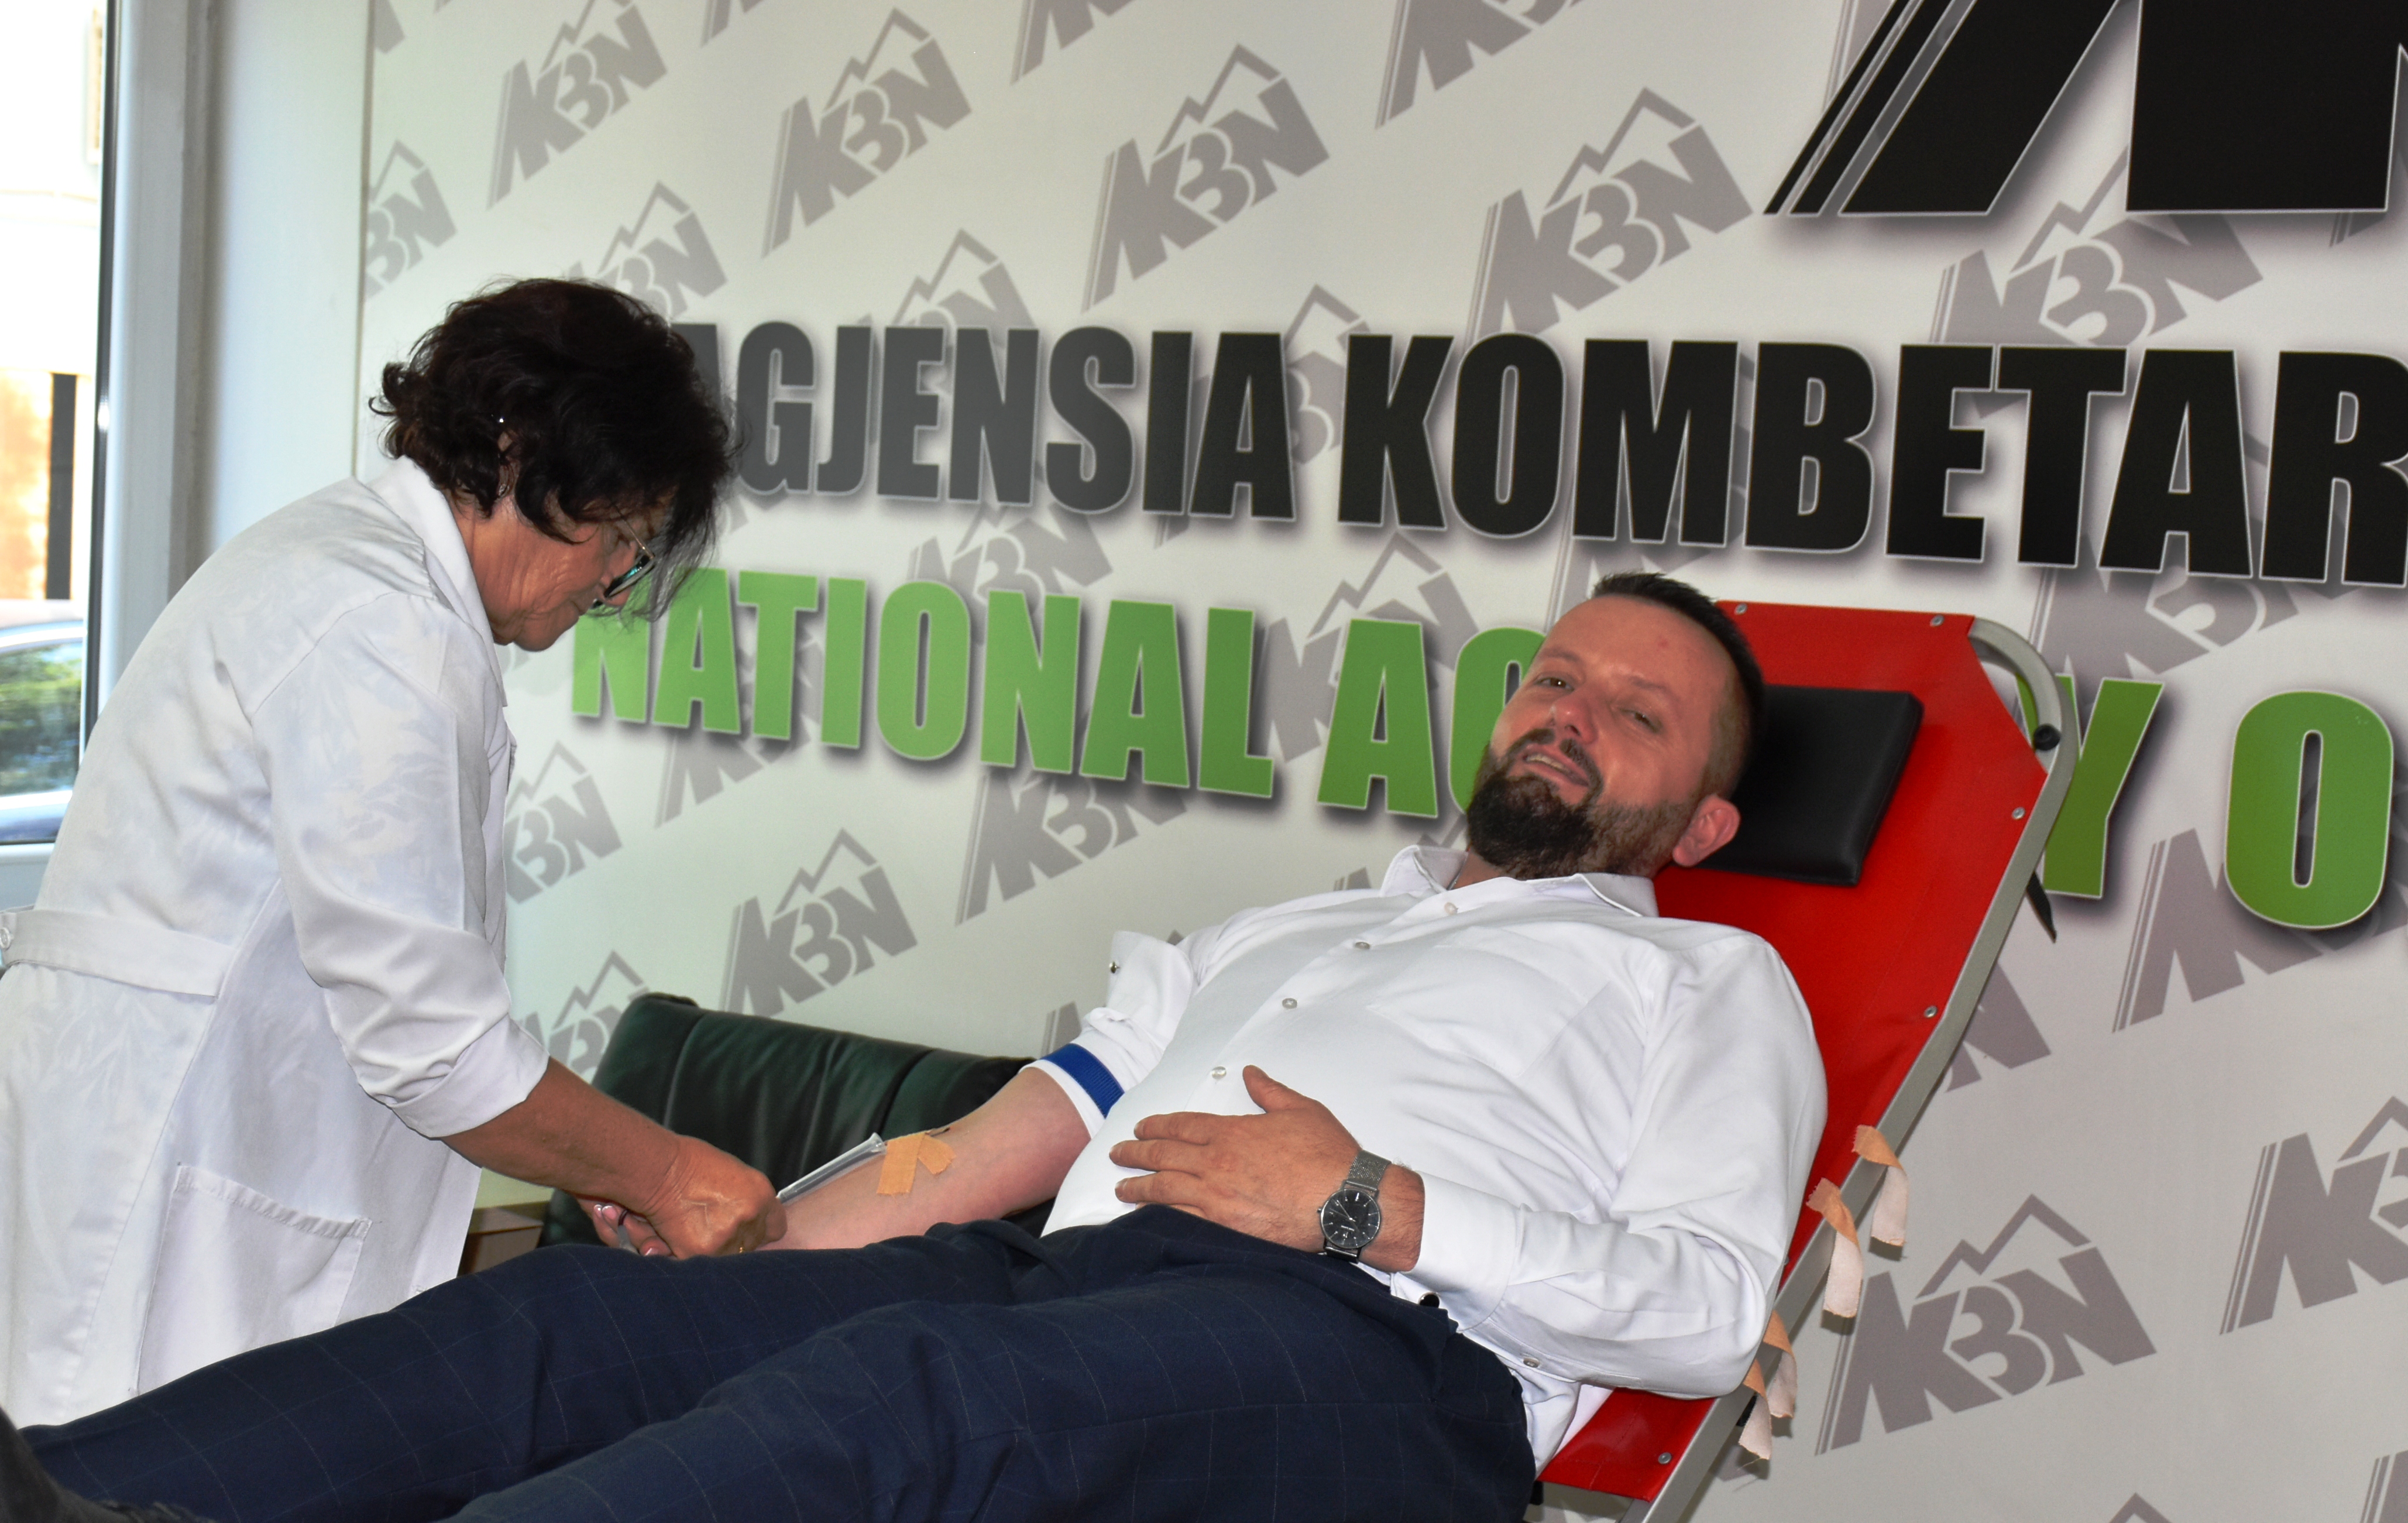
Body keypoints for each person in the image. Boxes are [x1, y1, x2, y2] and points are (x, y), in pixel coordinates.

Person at [15, 572, 1824, 1523]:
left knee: (906, 1407)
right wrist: (749, 1236)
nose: (1569, 715)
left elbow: (1705, 1310)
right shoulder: (1279, 932)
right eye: (1552, 678)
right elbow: (989, 1147)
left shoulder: (1706, 983)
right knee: (582, 1318)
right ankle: (75, 1493)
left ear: (1706, 822)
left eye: (1636, 713)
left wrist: (1366, 1204)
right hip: (1060, 1281)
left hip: (1367, 1362)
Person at [0, 280, 785, 1429]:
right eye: (619, 535)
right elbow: (435, 1043)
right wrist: (663, 1172)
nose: (615, 582)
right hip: (166, 1216)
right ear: (519, 459)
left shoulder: (356, 571)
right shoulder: (380, 620)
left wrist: (596, 1162)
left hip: (170, 1173)